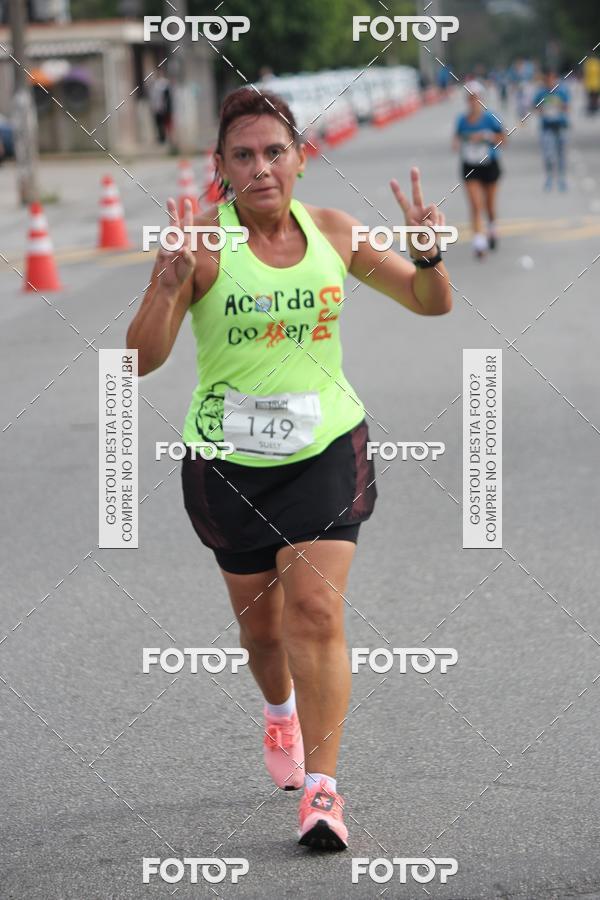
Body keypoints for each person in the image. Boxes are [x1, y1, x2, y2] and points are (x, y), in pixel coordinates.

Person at [126, 87, 452, 851]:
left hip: (326, 450)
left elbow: (428, 302)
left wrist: (430, 253)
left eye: (276, 151)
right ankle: (279, 714)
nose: (262, 166)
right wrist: (167, 283)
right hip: (229, 463)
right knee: (263, 634)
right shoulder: (201, 247)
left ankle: (323, 792)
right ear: (221, 168)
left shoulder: (335, 232)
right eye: (244, 154)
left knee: (316, 613)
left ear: (301, 158)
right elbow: (139, 360)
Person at [453, 80, 506, 259]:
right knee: (476, 204)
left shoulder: (491, 117)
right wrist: (464, 141)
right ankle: (479, 242)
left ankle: (491, 228)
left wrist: (487, 136)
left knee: (489, 206)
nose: (473, 102)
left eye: (476, 98)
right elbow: (455, 142)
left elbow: (503, 140)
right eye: (470, 98)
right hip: (470, 165)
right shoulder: (461, 120)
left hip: (489, 165)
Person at [533, 68, 570, 191]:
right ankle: (549, 178)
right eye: (548, 79)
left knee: (561, 155)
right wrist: (542, 110)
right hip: (546, 127)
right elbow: (534, 106)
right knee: (548, 155)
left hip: (560, 126)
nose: (550, 82)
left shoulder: (562, 92)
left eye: (552, 79)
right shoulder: (541, 93)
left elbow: (567, 107)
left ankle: (561, 179)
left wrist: (559, 106)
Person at [149, 74, 172, 144]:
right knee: (160, 124)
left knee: (163, 124)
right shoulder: (156, 86)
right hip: (159, 109)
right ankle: (162, 138)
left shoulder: (163, 86)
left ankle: (165, 138)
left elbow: (165, 99)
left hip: (163, 109)